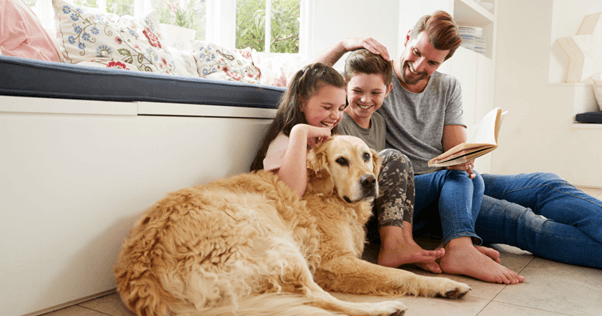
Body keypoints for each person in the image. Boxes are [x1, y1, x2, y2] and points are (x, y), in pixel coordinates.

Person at [309, 9, 602, 280]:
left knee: (544, 183)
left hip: (450, 183)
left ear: (443, 62)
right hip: (414, 193)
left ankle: (463, 241)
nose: (418, 65)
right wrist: (345, 44)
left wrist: (466, 157)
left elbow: (455, 152)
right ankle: (461, 245)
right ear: (408, 39)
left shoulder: (447, 87)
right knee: (525, 223)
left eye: (432, 62)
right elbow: (312, 80)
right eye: (416, 53)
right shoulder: (375, 82)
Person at [337, 48, 445, 269]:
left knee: (403, 162)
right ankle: (394, 246)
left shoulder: (378, 122)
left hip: (375, 209)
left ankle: (405, 243)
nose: (366, 100)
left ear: (388, 91)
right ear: (345, 86)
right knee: (393, 157)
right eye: (357, 90)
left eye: (375, 93)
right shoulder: (339, 123)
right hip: (352, 209)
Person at [250, 62, 347, 198]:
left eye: (341, 108)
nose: (336, 115)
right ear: (301, 103)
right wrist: (300, 132)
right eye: (327, 107)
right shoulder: (284, 144)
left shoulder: (322, 140)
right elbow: (291, 194)